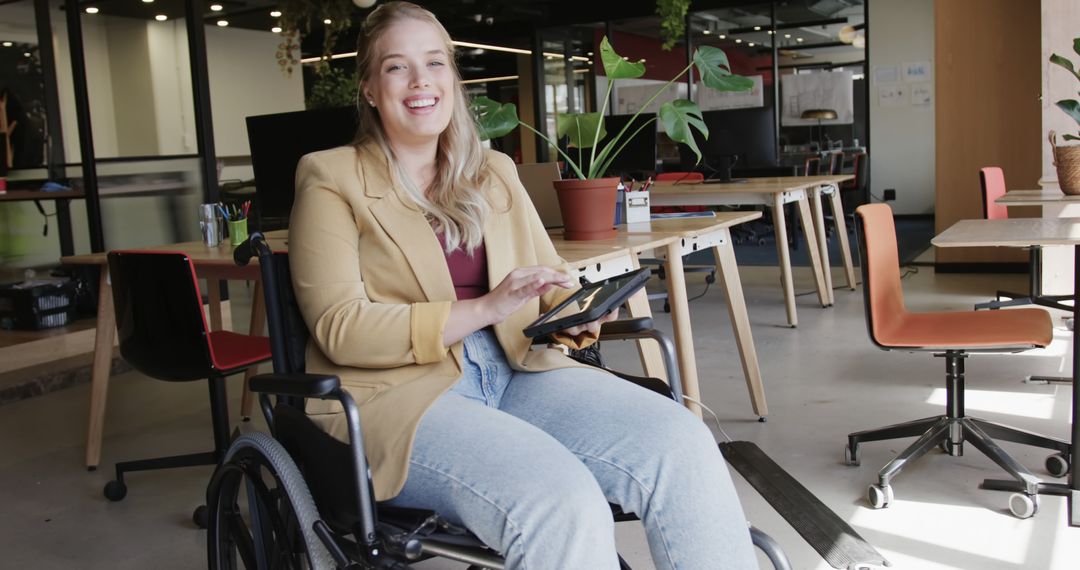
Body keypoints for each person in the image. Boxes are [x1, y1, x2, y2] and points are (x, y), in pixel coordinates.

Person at [288, 2, 757, 568]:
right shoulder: (331, 177)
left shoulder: (492, 170)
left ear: (453, 78)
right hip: (401, 396)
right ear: (368, 87)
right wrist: (486, 307)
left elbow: (545, 279)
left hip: (517, 367)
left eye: (434, 62)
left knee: (682, 444)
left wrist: (576, 312)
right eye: (396, 67)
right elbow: (341, 329)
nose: (420, 82)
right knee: (559, 499)